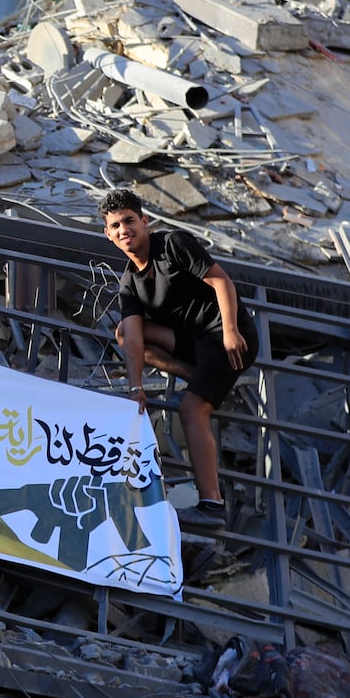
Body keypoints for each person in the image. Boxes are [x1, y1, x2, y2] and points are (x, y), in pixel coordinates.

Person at [102, 188, 257, 527]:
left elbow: (221, 281)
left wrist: (231, 330)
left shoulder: (173, 244)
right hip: (191, 343)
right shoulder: (129, 282)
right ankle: (197, 377)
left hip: (225, 335)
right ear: (108, 234)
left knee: (191, 409)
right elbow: (131, 338)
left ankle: (212, 507)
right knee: (125, 333)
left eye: (129, 221)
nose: (123, 229)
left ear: (145, 221)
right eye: (115, 226)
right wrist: (135, 387)